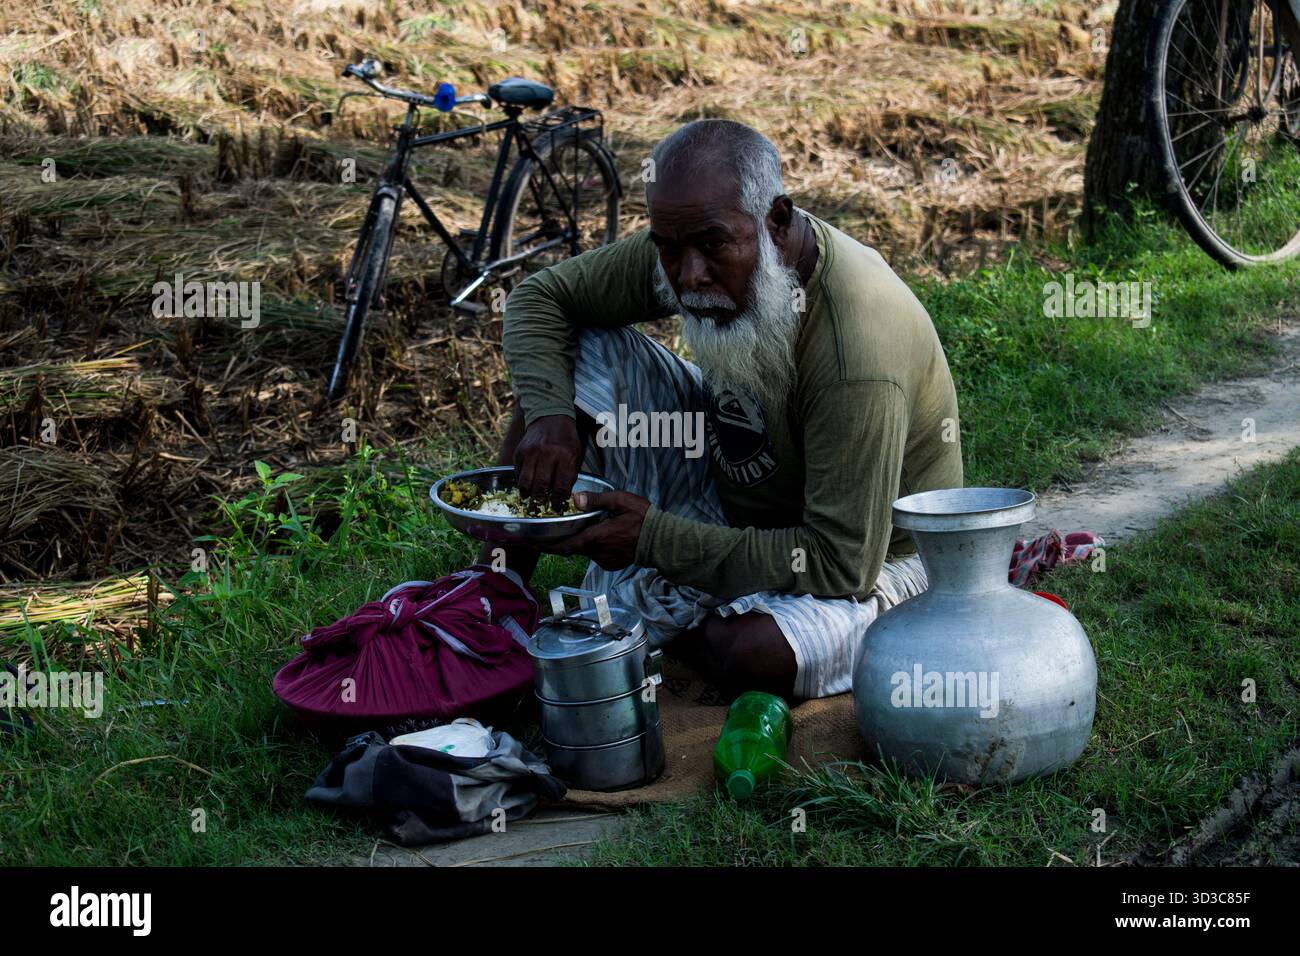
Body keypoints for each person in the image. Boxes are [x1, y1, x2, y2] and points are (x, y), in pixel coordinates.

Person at [481, 118, 963, 702]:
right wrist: (549, 415)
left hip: (872, 558)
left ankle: (684, 610)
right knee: (574, 350)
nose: (689, 277)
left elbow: (843, 562)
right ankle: (490, 600)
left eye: (712, 246)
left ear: (776, 224)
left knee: (750, 651)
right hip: (732, 497)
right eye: (668, 249)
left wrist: (655, 541)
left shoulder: (857, 347)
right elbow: (542, 297)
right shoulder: (690, 239)